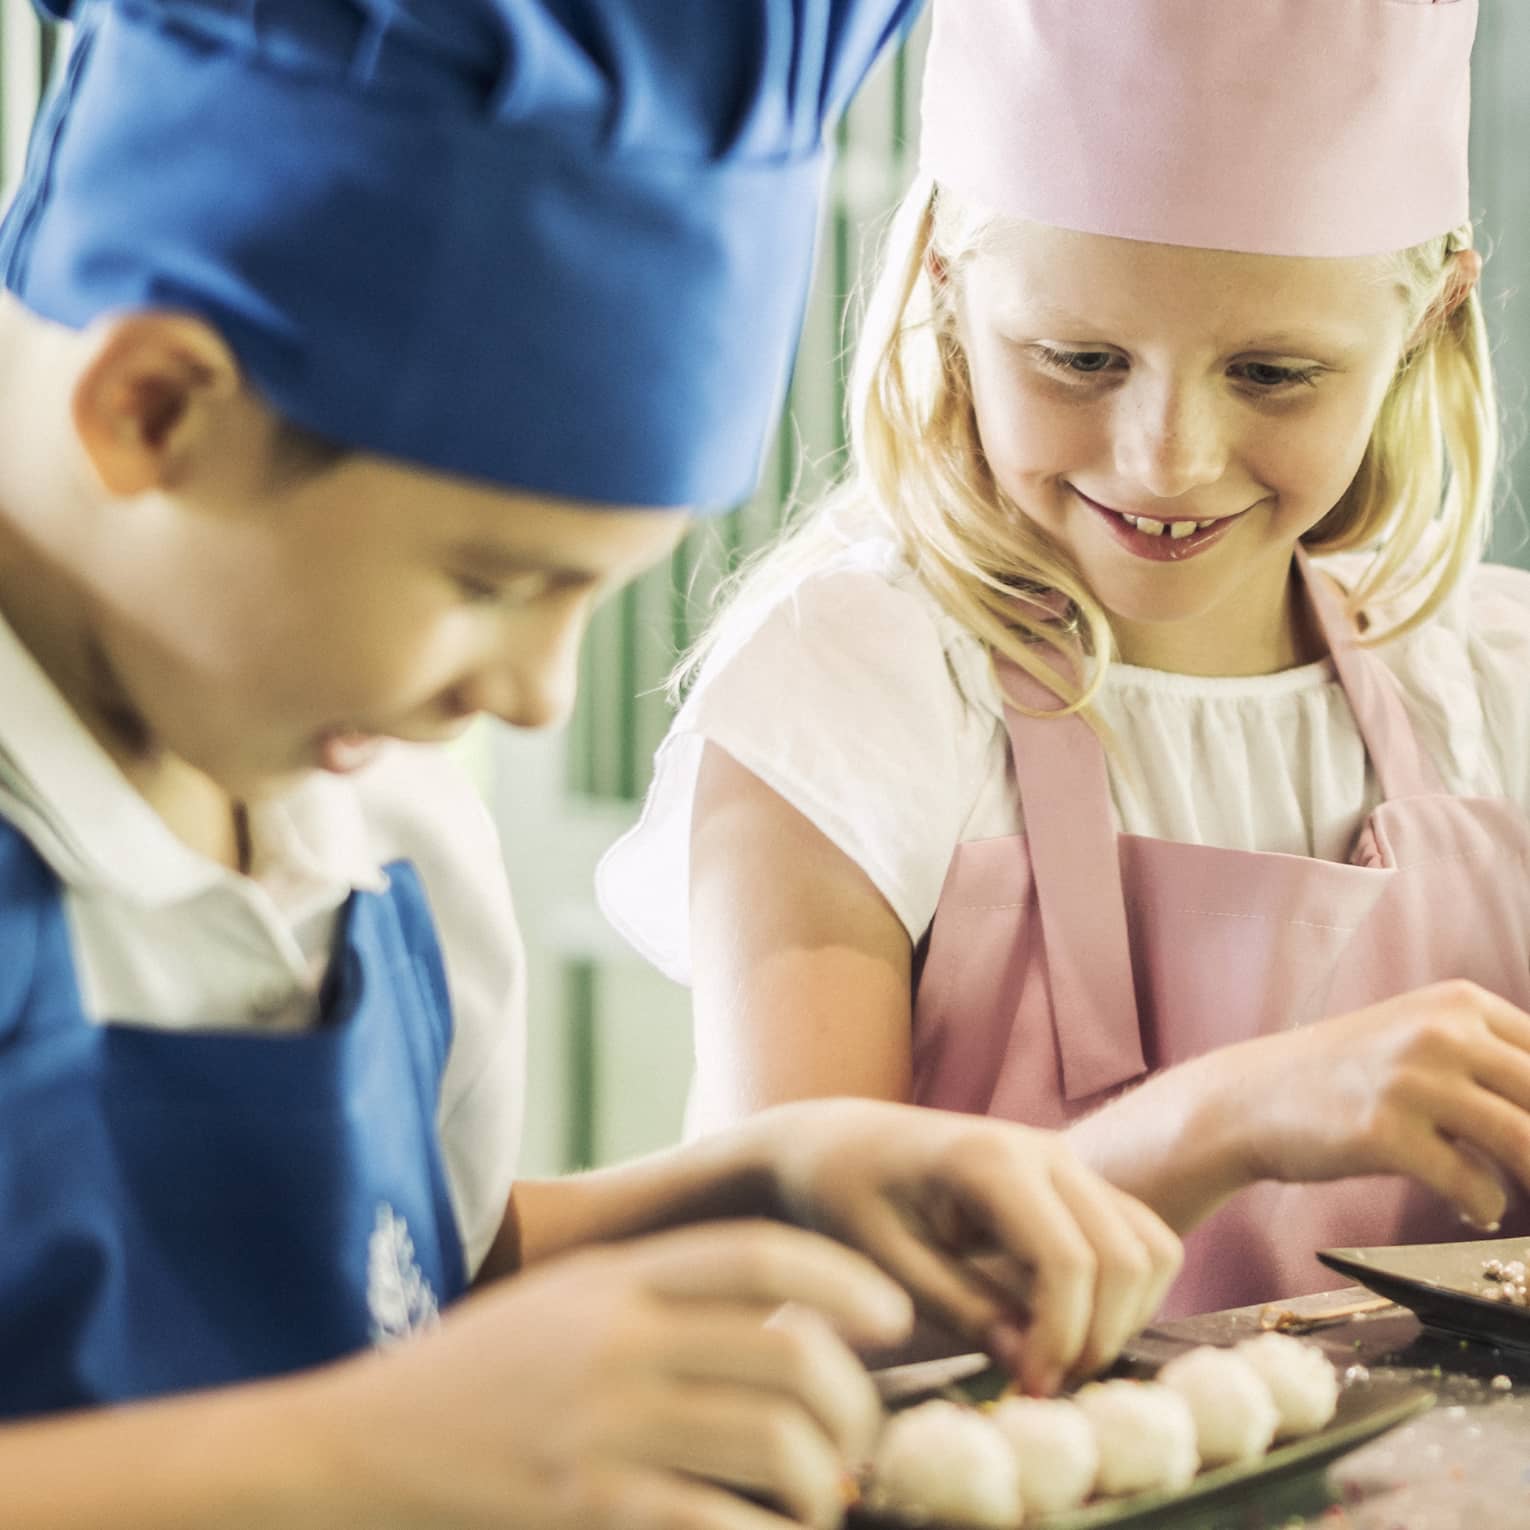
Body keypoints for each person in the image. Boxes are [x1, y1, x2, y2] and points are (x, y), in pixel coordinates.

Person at [0, 1, 1182, 1523]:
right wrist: (347, 1460)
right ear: (155, 408)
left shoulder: (381, 822)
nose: (539, 694)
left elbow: (417, 1276)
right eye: (491, 582)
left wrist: (775, 1179)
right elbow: (382, 1414)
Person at [598, 0, 1530, 1319]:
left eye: (1272, 373)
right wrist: (1226, 1119)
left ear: (1430, 317)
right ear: (945, 288)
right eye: (1078, 358)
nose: (1166, 459)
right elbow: (778, 1299)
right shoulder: (854, 694)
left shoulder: (1494, 684)